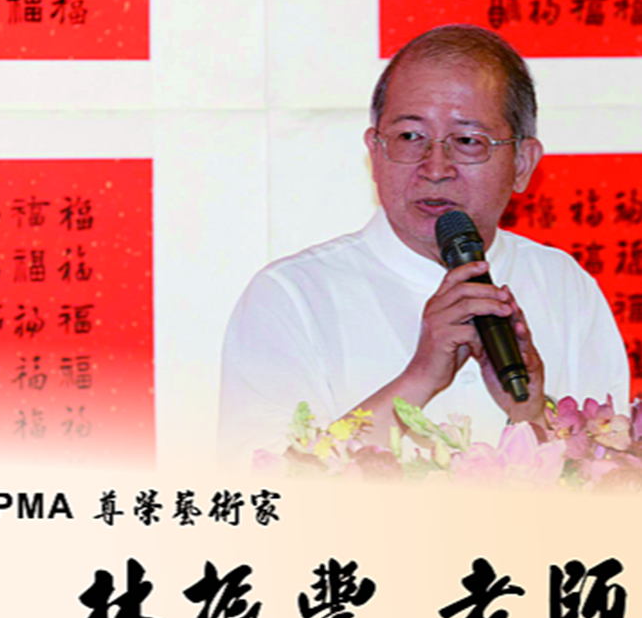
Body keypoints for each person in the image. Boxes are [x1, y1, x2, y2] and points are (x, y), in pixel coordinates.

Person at [219, 24, 629, 469]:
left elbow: (610, 480)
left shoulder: (565, 286)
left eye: (467, 141)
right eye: (410, 137)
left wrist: (529, 413)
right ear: (375, 151)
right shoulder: (292, 296)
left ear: (522, 163)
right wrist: (421, 376)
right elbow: (261, 489)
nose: (435, 168)